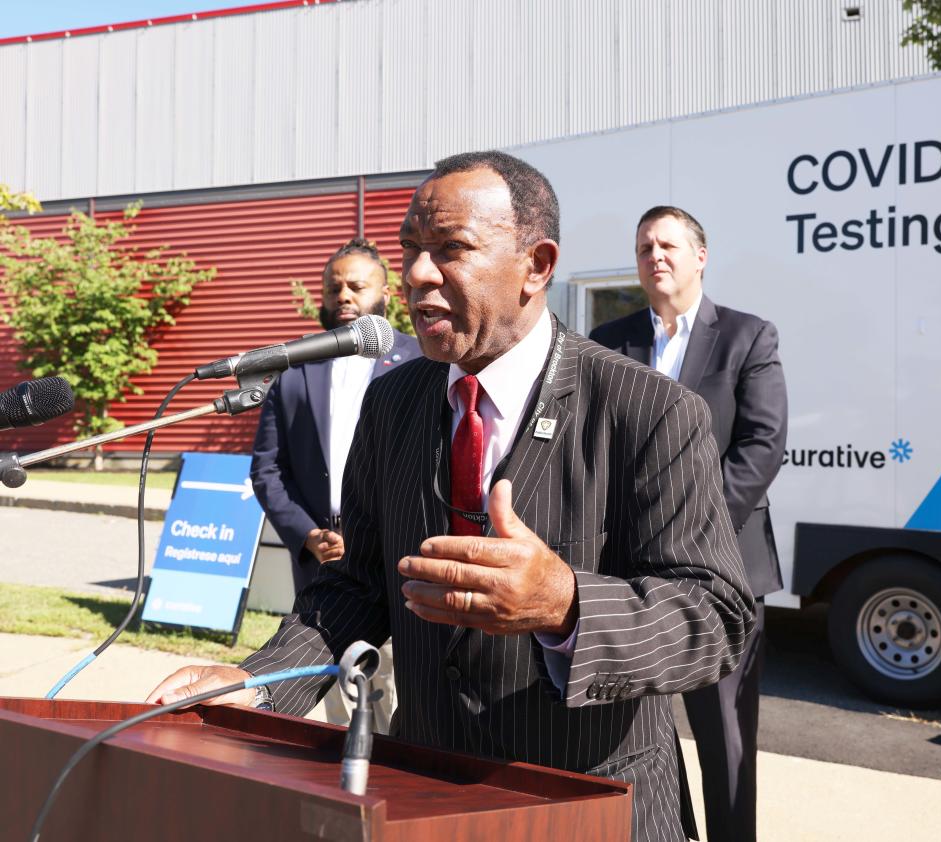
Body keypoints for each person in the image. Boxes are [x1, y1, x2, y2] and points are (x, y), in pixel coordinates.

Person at [148, 150, 755, 842]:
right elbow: (354, 587)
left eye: (450, 249)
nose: (415, 274)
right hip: (426, 798)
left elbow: (718, 617)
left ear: (538, 265)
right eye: (410, 251)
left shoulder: (649, 409)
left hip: (593, 806)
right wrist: (250, 683)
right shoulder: (392, 404)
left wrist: (568, 605)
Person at [590, 205, 787, 842]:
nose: (656, 256)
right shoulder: (608, 340)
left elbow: (761, 446)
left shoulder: (747, 336)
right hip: (628, 577)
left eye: (669, 244)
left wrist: (690, 530)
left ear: (701, 256)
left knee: (724, 739)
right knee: (630, 733)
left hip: (722, 569)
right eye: (645, 246)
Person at [249, 237, 421, 733]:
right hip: (322, 563)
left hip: (396, 561)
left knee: (396, 702)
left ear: (386, 293)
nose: (344, 296)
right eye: (334, 287)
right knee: (334, 700)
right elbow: (267, 469)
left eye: (357, 286)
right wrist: (306, 534)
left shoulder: (419, 364)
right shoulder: (294, 368)